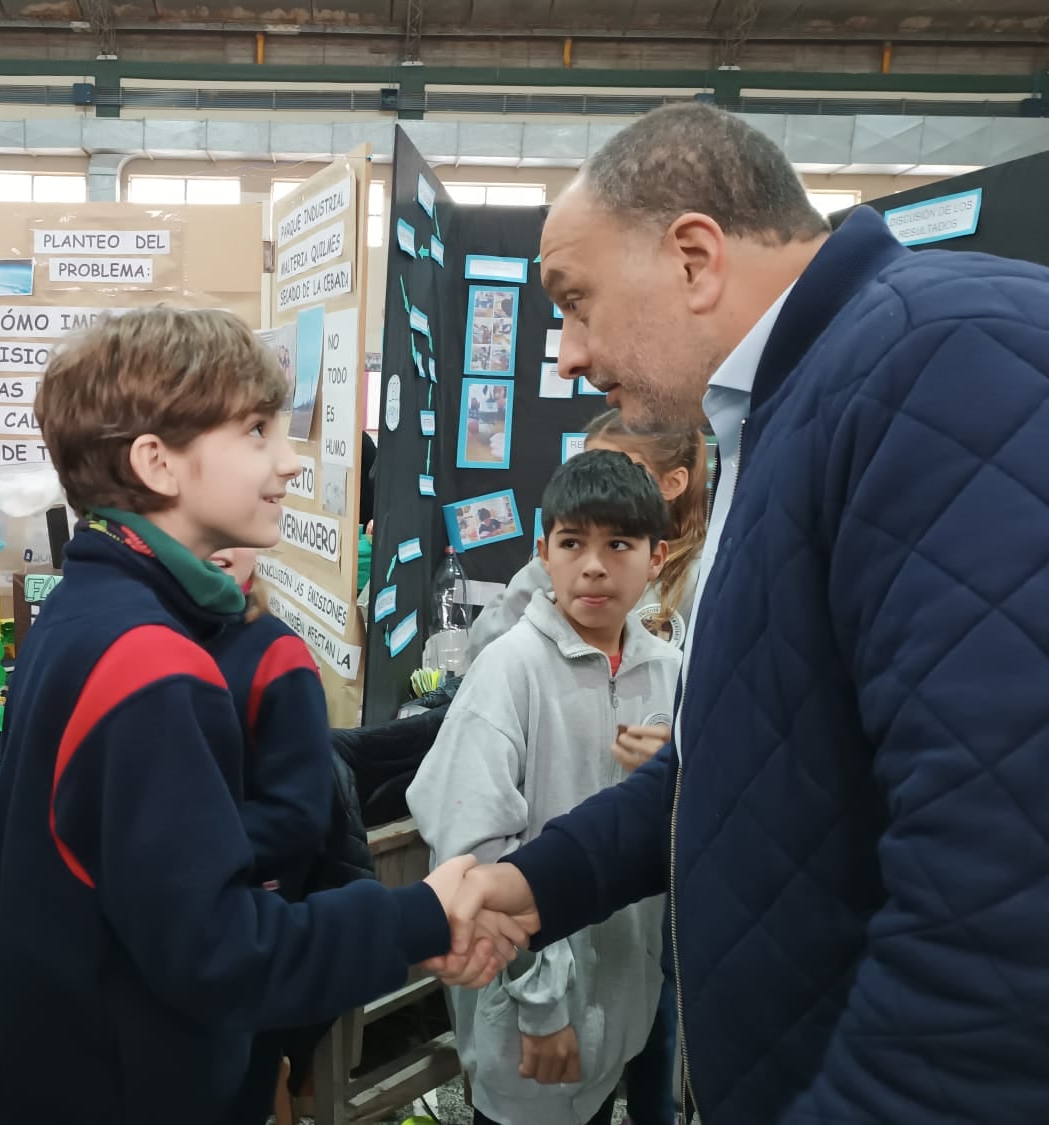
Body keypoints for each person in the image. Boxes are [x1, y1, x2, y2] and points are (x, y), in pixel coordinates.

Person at [432, 103, 1049, 1123]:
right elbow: (743, 750)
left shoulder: (941, 361)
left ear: (693, 257)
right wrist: (542, 885)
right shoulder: (800, 409)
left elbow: (1004, 867)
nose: (570, 355)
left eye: (575, 301)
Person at [0, 307, 529, 1124]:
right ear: (157, 462)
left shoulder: (82, 613)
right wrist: (413, 915)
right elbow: (215, 951)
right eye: (257, 430)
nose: (290, 462)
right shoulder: (153, 663)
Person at [410, 450, 680, 1125]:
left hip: (621, 1000)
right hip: (529, 1022)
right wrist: (542, 1004)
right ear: (543, 552)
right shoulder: (509, 671)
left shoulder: (673, 671)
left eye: (618, 542)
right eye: (572, 542)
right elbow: (473, 860)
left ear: (657, 557)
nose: (593, 564)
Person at [208, 545, 335, 1124]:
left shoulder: (276, 655)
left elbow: (298, 820)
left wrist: (170, 841)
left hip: (240, 930)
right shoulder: (141, 632)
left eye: (228, 528)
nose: (214, 545)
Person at [468, 408, 707, 668]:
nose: (600, 484)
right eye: (589, 466)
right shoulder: (553, 565)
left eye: (624, 469)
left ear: (672, 483)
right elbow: (484, 652)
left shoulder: (703, 574)